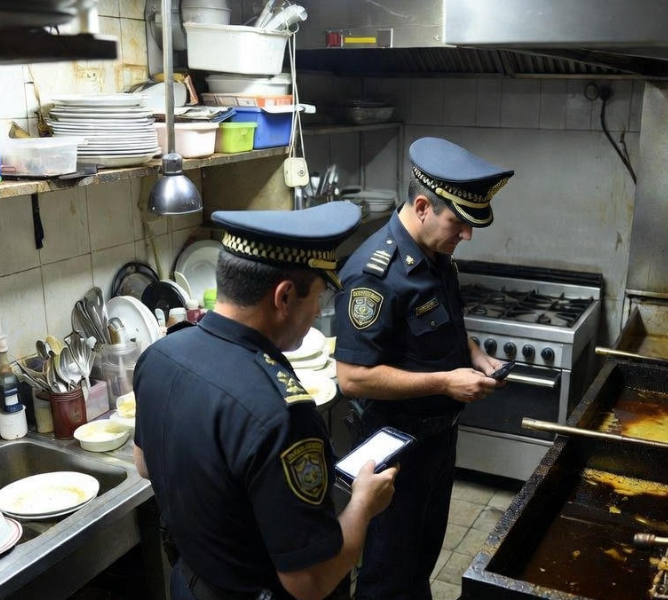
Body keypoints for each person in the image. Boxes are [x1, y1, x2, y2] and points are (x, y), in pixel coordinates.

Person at [133, 202, 398, 600]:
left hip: (190, 585)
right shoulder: (280, 413)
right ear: (285, 296)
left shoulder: (160, 356)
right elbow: (309, 582)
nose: (316, 314)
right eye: (318, 299)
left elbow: (144, 464)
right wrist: (363, 503)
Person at [333, 137, 514, 599]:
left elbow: (435, 325)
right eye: (459, 222)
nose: (467, 235)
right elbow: (352, 377)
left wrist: (471, 352)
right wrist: (446, 381)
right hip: (394, 446)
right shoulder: (375, 274)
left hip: (437, 438)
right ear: (421, 206)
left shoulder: (436, 254)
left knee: (419, 560)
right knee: (388, 572)